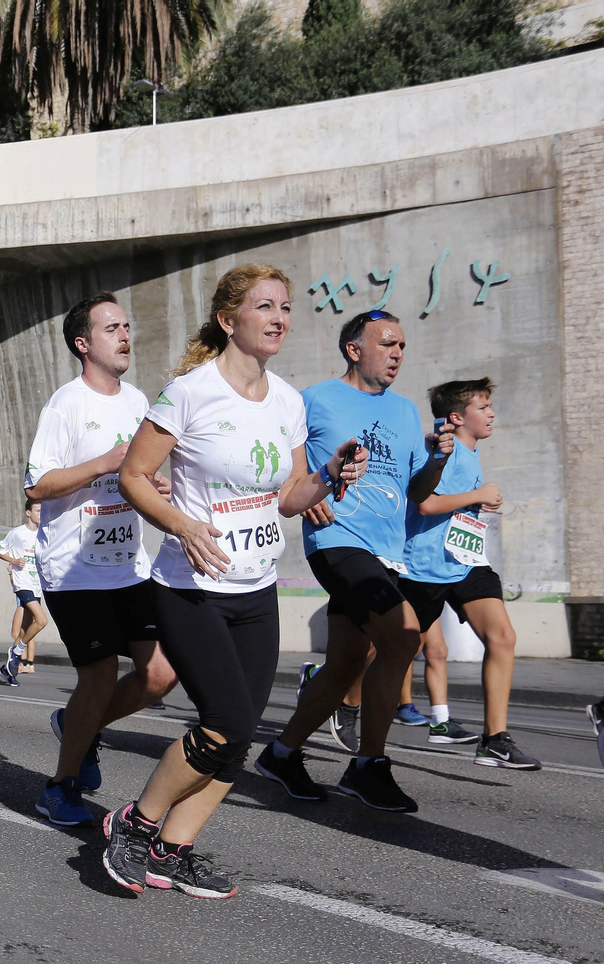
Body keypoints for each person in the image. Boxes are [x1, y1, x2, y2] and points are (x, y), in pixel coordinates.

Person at [102, 264, 367, 898]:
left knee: (241, 734)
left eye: (285, 307)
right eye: (264, 306)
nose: (280, 317)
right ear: (229, 320)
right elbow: (135, 476)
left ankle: (174, 848)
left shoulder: (289, 401)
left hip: (256, 588)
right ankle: (133, 825)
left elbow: (289, 496)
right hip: (190, 586)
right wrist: (182, 524)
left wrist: (330, 475)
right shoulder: (189, 393)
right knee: (222, 720)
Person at [254, 308, 454, 813]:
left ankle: (281, 754)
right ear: (354, 349)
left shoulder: (407, 411)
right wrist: (303, 489)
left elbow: (418, 492)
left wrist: (437, 460)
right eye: (387, 344)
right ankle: (368, 767)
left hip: (388, 552)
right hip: (338, 541)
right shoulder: (314, 400)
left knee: (346, 664)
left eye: (402, 346)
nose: (397, 354)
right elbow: (279, 462)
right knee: (405, 635)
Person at [21, 293, 178, 826]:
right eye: (112, 328)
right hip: (74, 569)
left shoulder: (138, 401)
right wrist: (103, 464)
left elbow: (147, 477)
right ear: (83, 343)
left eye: (127, 325)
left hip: (128, 565)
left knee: (160, 673)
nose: (125, 335)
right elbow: (39, 484)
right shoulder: (65, 405)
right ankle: (60, 787)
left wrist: (151, 481)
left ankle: (75, 723)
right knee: (100, 676)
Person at [396, 378, 539, 768]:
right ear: (457, 417)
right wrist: (477, 496)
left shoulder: (472, 452)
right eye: (483, 407)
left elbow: (453, 506)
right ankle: (336, 688)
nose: (492, 413)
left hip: (465, 562)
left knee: (502, 636)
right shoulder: (444, 451)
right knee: (388, 652)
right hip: (424, 566)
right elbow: (424, 504)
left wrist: (476, 507)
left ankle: (495, 739)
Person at [0, 499, 47, 686]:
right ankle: (16, 653)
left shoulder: (44, 534)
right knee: (41, 621)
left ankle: (8, 669)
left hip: (37, 584)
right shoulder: (17, 533)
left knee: (24, 630)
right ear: (28, 513)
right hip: (23, 583)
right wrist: (14, 561)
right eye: (38, 510)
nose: (41, 514)